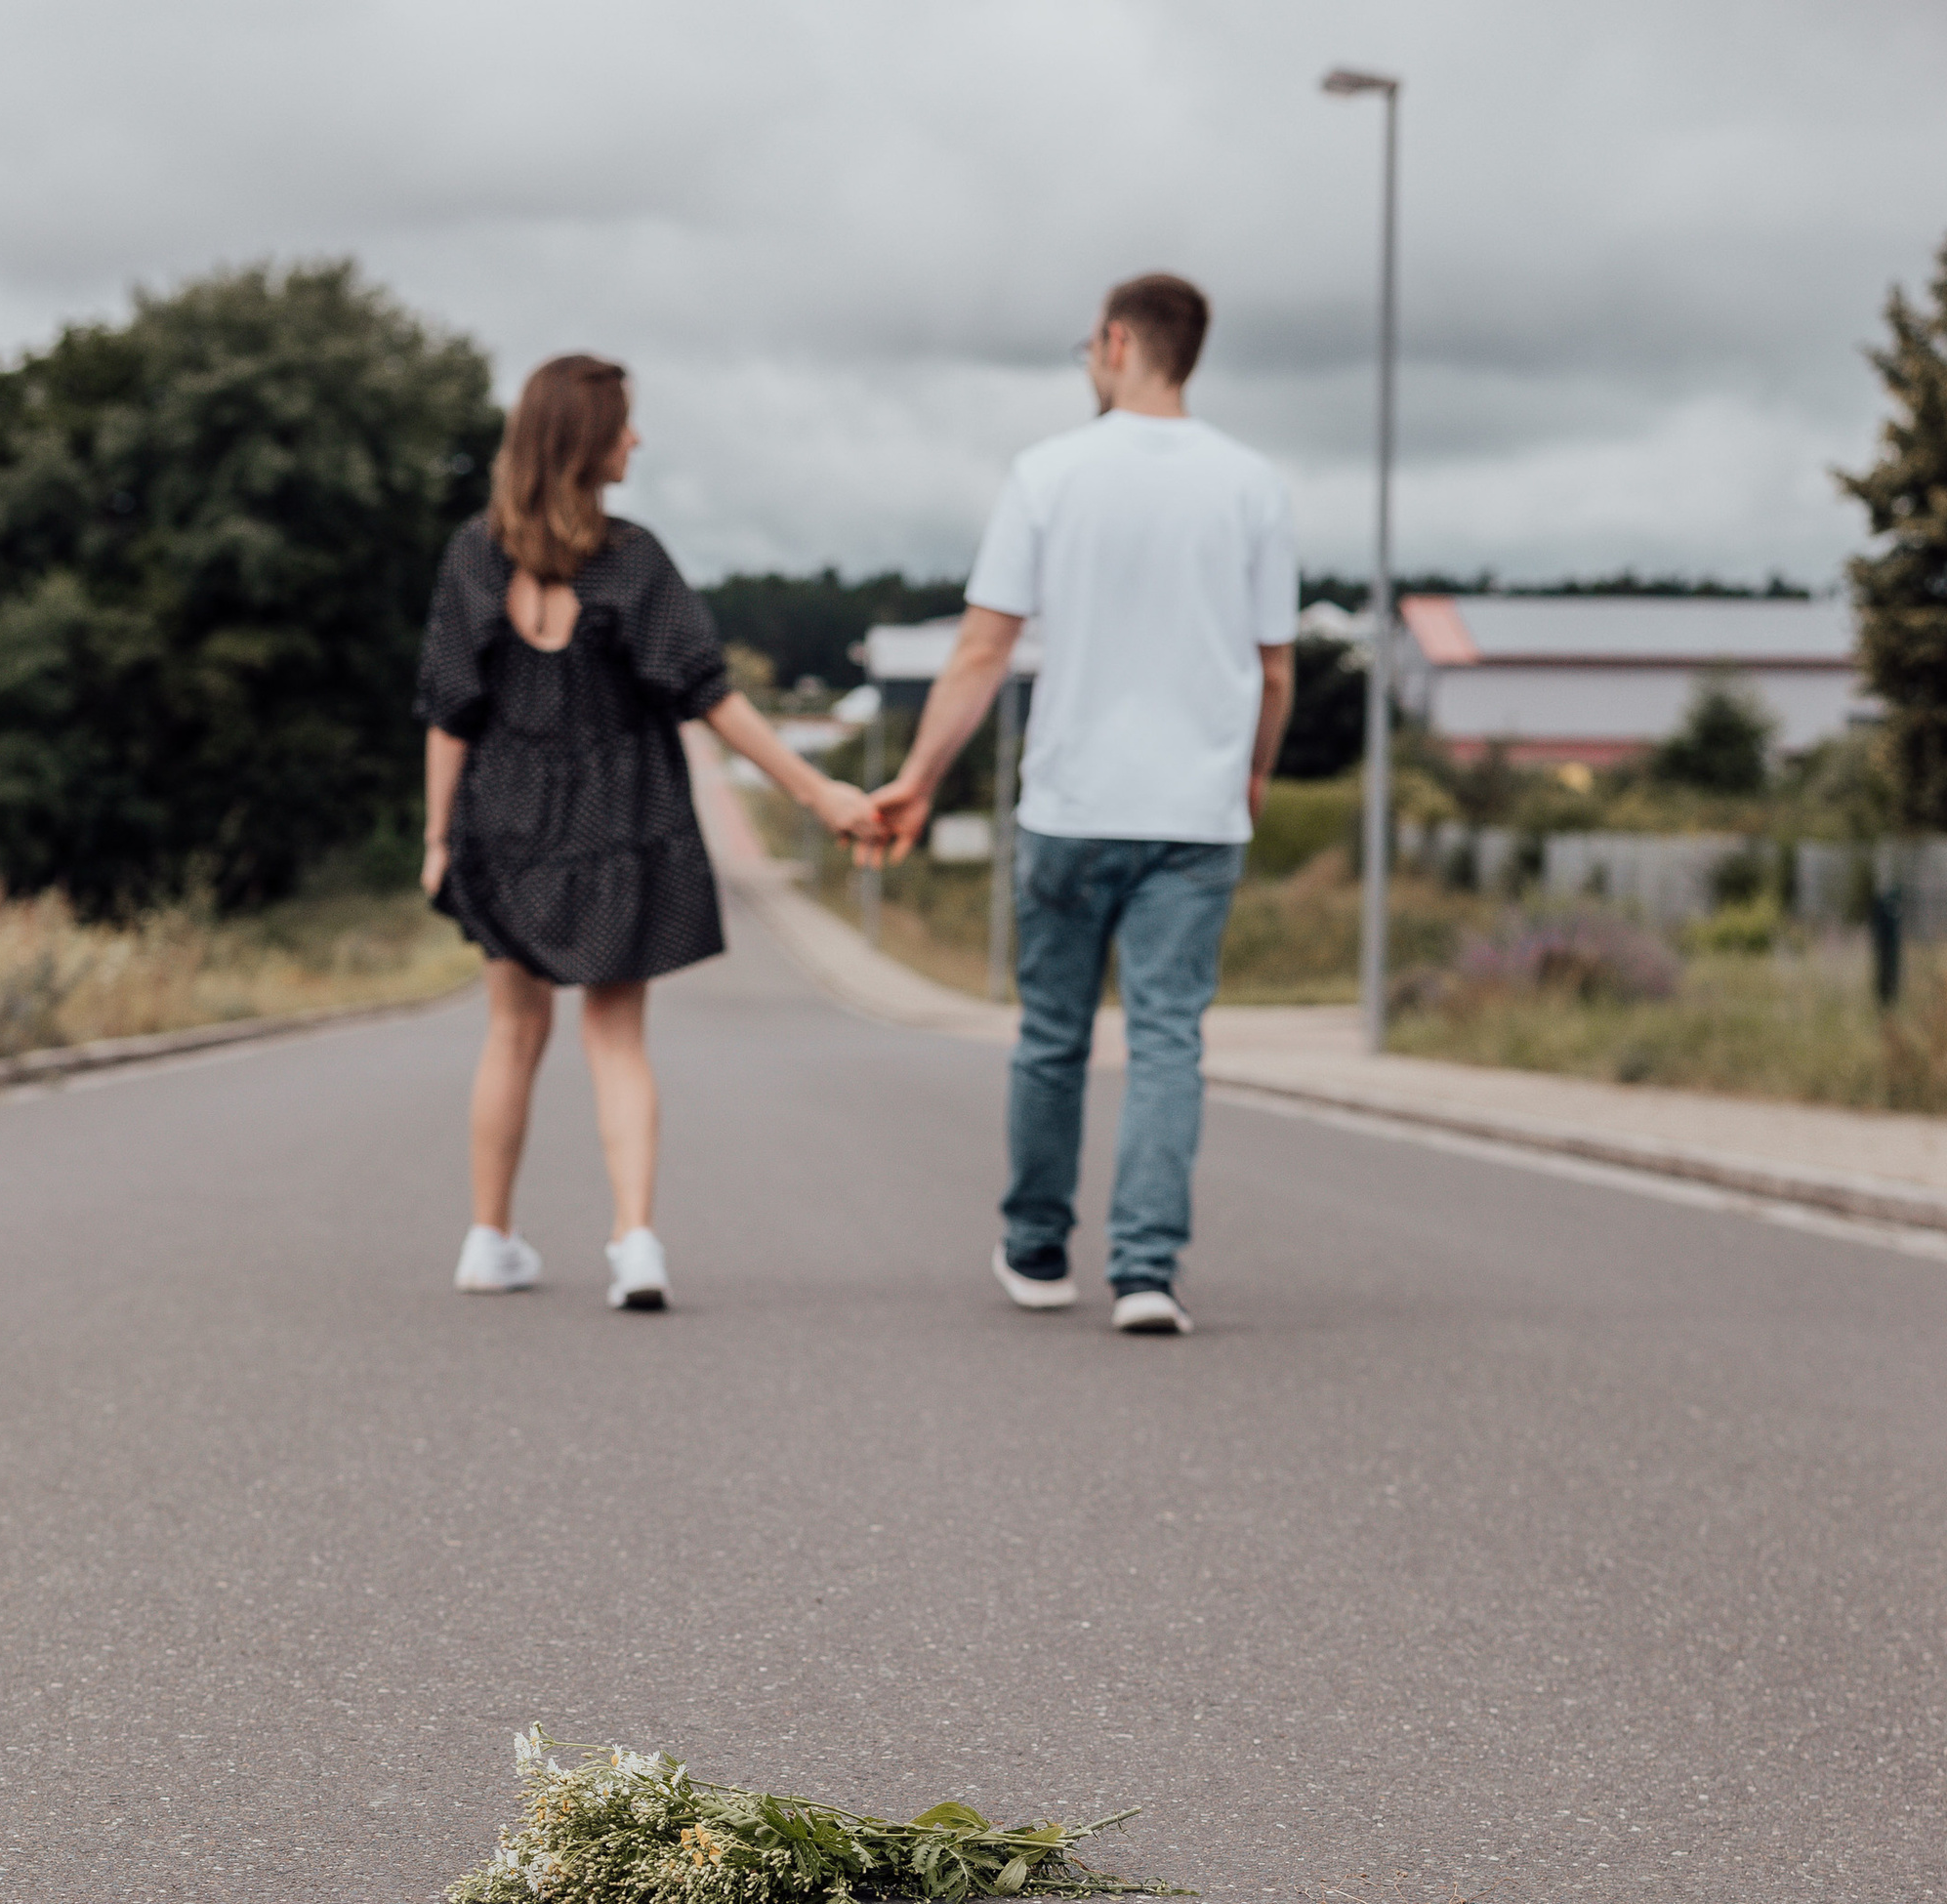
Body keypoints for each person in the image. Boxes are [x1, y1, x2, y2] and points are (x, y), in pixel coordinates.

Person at [868, 274, 1296, 1336]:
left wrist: (917, 779)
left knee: (1052, 1035)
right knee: (1166, 1041)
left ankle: (1038, 1251)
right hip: (1196, 814)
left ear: (1115, 342)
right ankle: (1145, 1274)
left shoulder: (1048, 473)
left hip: (1071, 801)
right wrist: (1252, 769)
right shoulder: (1252, 484)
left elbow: (981, 649)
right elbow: (1274, 666)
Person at [417, 353, 877, 1310]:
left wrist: (436, 839)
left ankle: (487, 1240)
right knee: (616, 1036)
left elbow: (449, 711)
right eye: (623, 424)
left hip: (504, 821)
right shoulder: (632, 558)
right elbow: (712, 695)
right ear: (586, 441)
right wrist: (814, 791)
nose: (636, 439)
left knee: (510, 1032)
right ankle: (634, 1246)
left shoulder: (474, 554)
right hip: (618, 819)